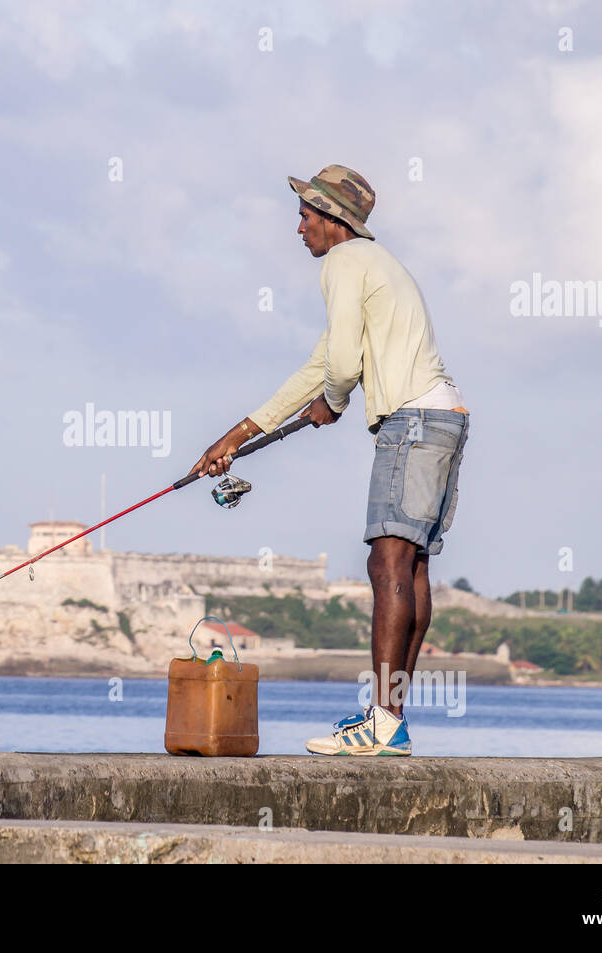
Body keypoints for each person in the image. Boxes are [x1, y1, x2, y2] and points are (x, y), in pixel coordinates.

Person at [187, 164, 469, 756]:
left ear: (334, 221)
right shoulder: (376, 266)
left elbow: (339, 370)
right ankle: (390, 723)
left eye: (305, 216)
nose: (298, 229)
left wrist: (336, 401)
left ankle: (383, 724)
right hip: (445, 417)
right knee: (410, 568)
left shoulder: (344, 262)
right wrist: (235, 437)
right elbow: (321, 364)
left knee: (387, 562)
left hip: (412, 422)